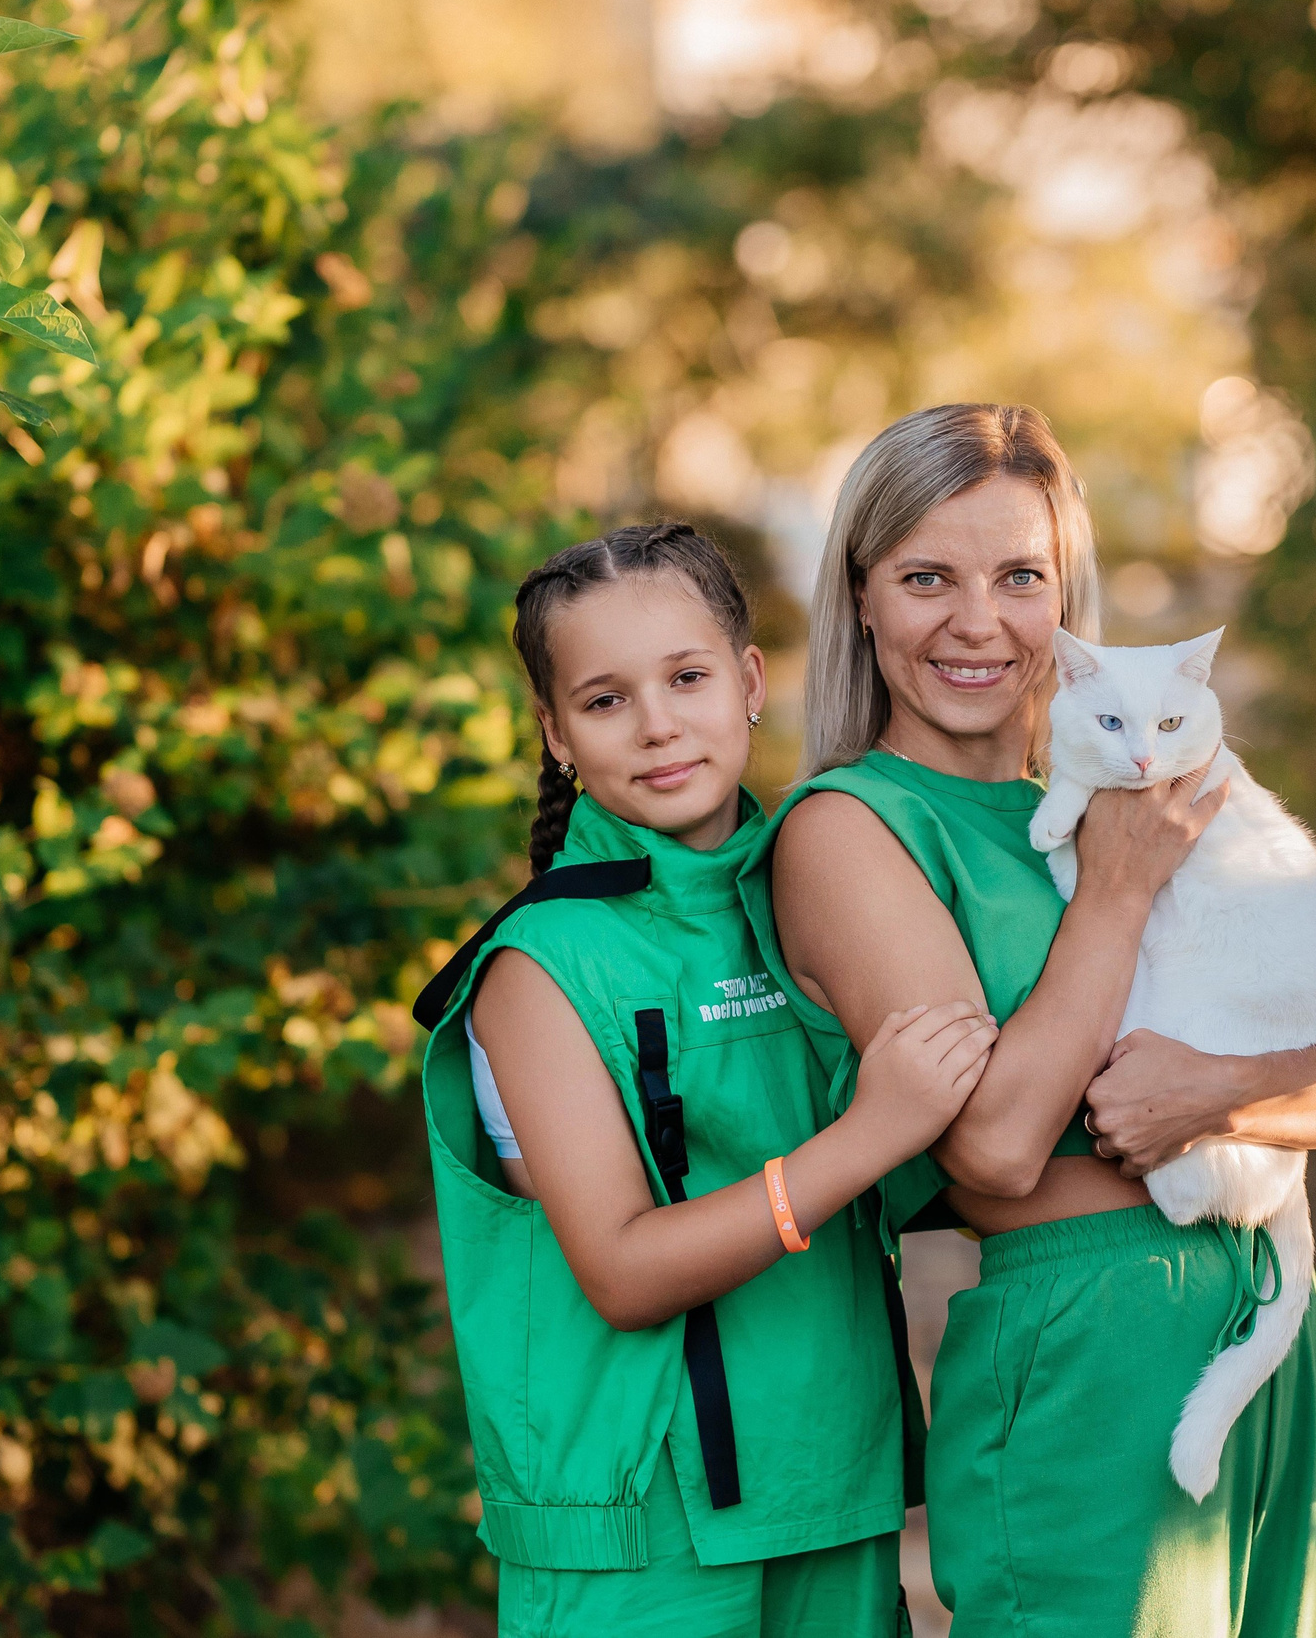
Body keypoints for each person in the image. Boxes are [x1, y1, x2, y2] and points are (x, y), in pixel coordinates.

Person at [759, 405, 1316, 1636]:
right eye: (926, 577)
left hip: (1263, 1321)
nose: (978, 621)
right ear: (860, 597)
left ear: (1064, 596)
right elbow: (996, 1146)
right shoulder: (848, 827)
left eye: (1020, 576)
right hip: (1086, 1340)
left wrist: (1215, 1092)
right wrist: (1117, 888)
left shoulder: (1131, 790)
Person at [414, 522, 996, 1638]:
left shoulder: (823, 882)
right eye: (605, 700)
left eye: (687, 677)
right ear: (556, 734)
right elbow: (623, 1270)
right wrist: (870, 1132)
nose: (658, 724)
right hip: (643, 1540)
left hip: (835, 1483)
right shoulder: (540, 967)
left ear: (750, 682)